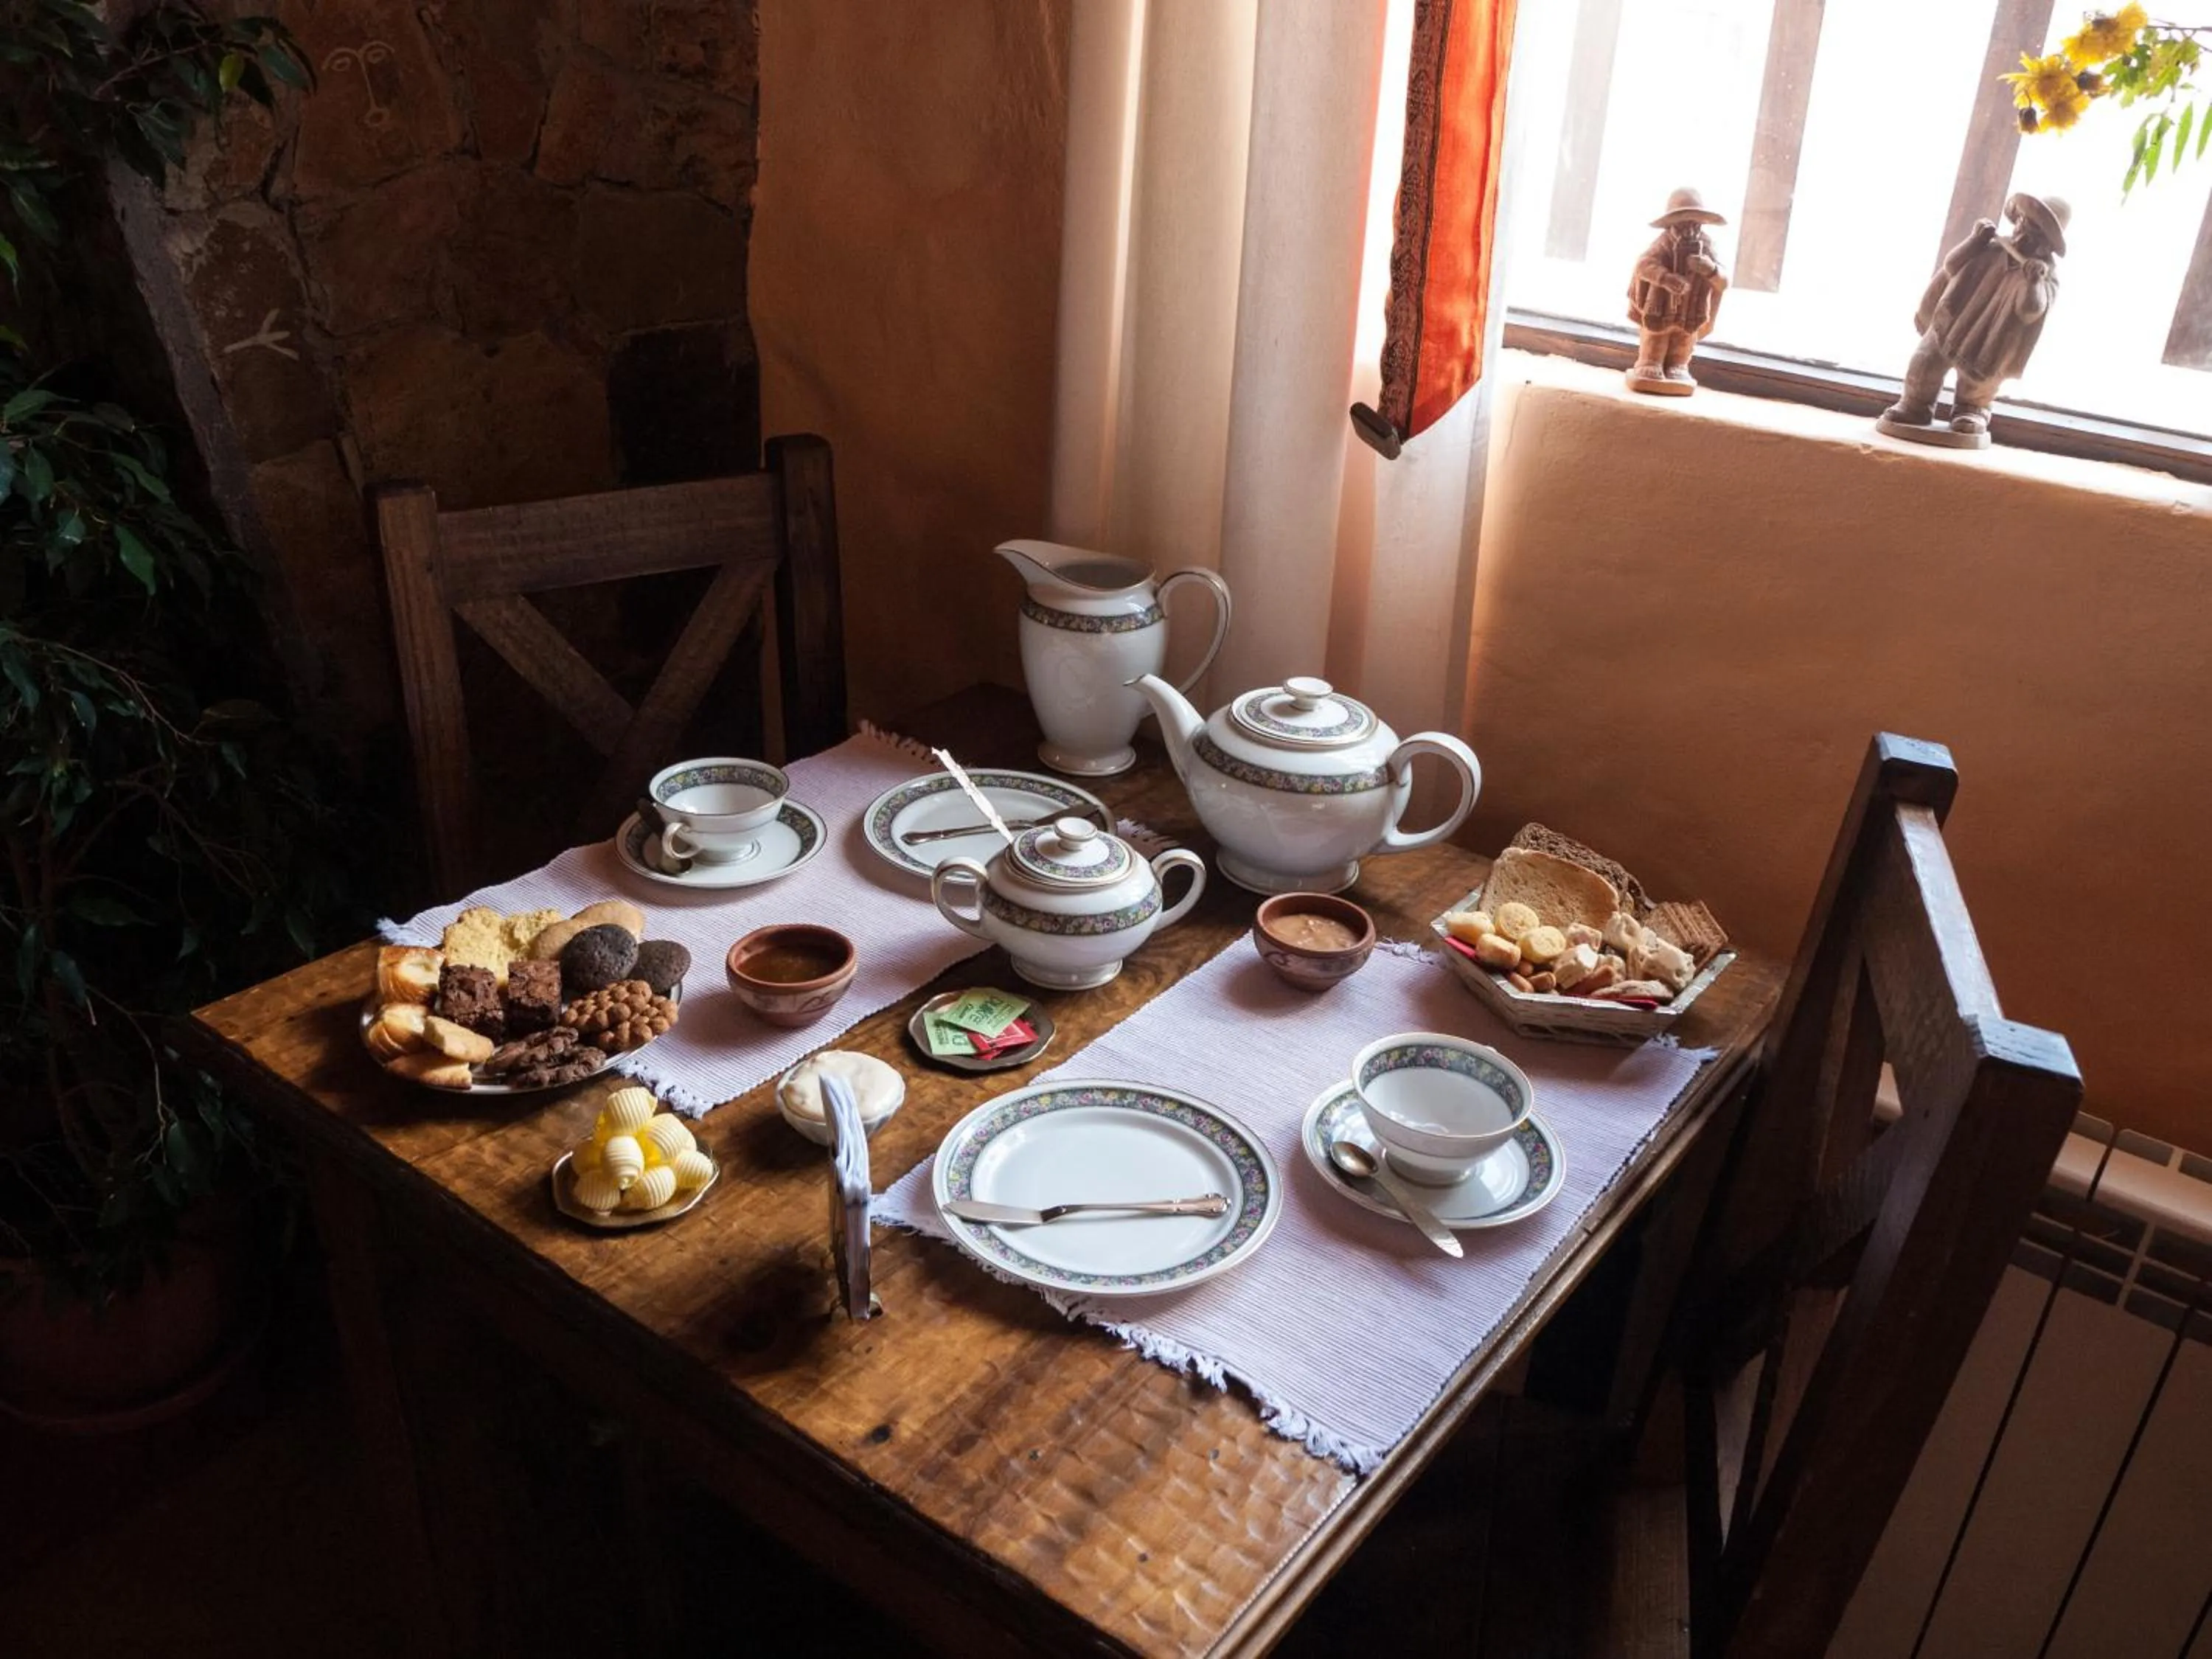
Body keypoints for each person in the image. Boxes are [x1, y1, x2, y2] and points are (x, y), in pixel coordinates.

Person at [1880, 192, 2068, 445]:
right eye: (2024, 220)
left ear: (2047, 242)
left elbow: (2030, 311)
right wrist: (1974, 242)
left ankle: (1972, 411)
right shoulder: (1992, 248)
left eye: (2035, 228)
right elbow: (1952, 266)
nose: (2025, 228)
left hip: (1993, 336)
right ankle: (1915, 405)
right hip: (1953, 315)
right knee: (1925, 362)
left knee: (1979, 383)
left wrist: (2033, 281)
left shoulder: (2045, 276)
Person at [1626, 187, 1730, 394]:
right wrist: (1665, 278)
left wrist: (1710, 270)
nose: (1690, 229)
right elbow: (1643, 265)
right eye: (1684, 223)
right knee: (1657, 335)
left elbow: (1724, 280)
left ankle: (1678, 364)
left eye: (1695, 224)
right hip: (1661, 305)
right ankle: (1651, 361)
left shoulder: (1707, 246)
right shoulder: (1663, 243)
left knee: (1684, 338)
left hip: (1692, 306)